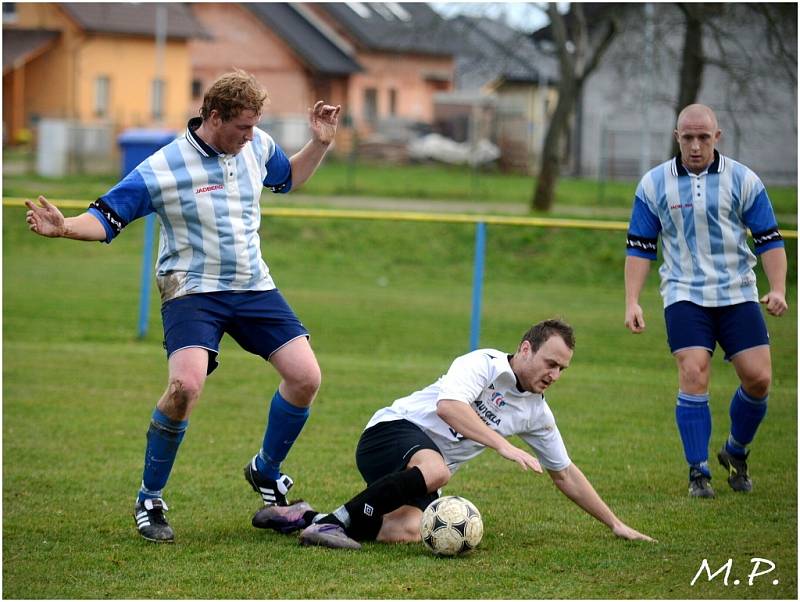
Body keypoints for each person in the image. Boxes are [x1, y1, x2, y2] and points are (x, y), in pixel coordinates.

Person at [25, 69, 341, 542]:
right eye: (243, 127)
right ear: (215, 116)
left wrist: (319, 143)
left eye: (256, 126)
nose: (251, 136)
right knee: (184, 387)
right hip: (192, 290)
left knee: (306, 377)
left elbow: (288, 178)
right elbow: (106, 217)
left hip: (253, 286)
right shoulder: (164, 166)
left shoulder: (256, 146)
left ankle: (265, 469)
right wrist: (65, 226)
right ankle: (149, 498)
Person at [250, 320, 654, 549]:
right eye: (550, 363)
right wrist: (502, 446)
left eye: (562, 370)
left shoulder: (536, 413)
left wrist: (614, 523)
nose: (554, 375)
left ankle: (302, 517)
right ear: (526, 349)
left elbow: (565, 473)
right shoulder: (483, 363)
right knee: (439, 470)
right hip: (389, 434)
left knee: (412, 530)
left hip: (416, 470)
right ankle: (334, 523)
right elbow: (449, 408)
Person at [624, 104, 788, 498]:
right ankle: (698, 472)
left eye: (703, 137)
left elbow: (769, 238)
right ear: (677, 137)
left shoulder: (744, 180)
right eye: (687, 138)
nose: (695, 146)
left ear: (717, 137)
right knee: (694, 371)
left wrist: (778, 288)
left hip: (737, 292)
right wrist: (632, 300)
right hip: (684, 292)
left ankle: (735, 450)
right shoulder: (653, 184)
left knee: (759, 378)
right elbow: (640, 247)